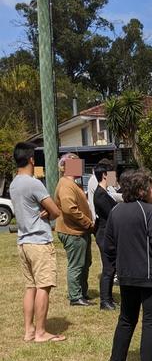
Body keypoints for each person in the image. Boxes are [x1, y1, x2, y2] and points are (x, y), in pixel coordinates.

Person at [106, 169, 152, 361]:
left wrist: (118, 268)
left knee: (126, 321)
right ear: (141, 190)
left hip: (127, 277)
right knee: (151, 323)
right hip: (151, 278)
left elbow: (109, 247)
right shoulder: (151, 211)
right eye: (151, 187)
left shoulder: (116, 211)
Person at [10, 142, 66, 343]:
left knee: (30, 287)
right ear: (31, 159)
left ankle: (29, 330)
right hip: (39, 242)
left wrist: (42, 210)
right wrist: (47, 212)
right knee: (44, 286)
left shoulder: (14, 183)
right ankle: (41, 332)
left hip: (23, 242)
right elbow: (56, 211)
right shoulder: (34, 183)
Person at [54, 153, 94, 306]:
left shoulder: (72, 183)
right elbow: (69, 209)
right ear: (65, 167)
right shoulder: (66, 184)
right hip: (73, 231)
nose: (79, 167)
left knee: (85, 263)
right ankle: (75, 296)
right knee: (77, 264)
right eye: (75, 164)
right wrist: (87, 223)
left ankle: (81, 293)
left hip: (79, 231)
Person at [93, 160, 118, 310]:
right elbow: (111, 214)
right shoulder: (100, 195)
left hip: (107, 235)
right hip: (104, 235)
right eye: (111, 174)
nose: (114, 177)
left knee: (111, 268)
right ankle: (104, 301)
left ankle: (108, 298)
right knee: (108, 269)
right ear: (104, 175)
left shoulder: (105, 193)